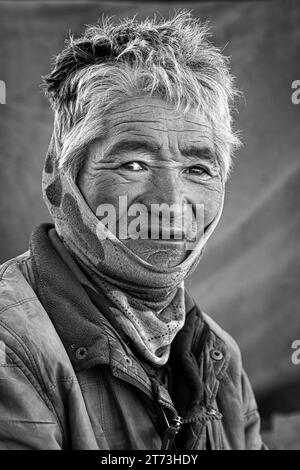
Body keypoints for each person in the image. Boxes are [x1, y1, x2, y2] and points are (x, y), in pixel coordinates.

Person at [0, 11, 266, 450]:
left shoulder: (218, 357)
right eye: (134, 164)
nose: (169, 202)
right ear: (58, 176)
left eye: (199, 168)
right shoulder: (13, 348)